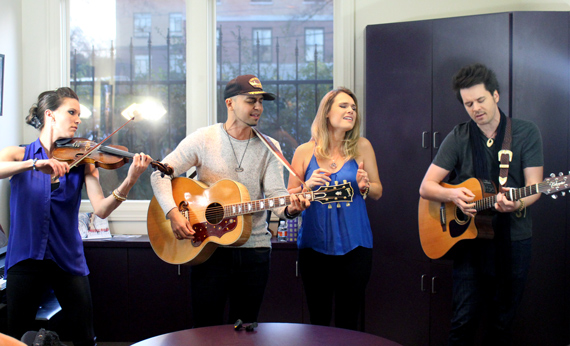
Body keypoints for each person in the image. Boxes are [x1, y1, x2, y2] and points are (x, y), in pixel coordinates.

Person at [150, 74, 309, 327]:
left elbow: (278, 198)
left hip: (255, 252)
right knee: (205, 330)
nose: (258, 107)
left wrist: (291, 209)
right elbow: (160, 174)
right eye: (250, 101)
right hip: (208, 249)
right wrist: (173, 213)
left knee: (245, 330)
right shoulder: (204, 139)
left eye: (260, 101)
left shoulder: (270, 146)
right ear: (230, 103)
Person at [0, 87, 152, 345]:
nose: (78, 120)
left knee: (83, 335)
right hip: (24, 257)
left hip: (67, 258)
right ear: (50, 115)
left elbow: (101, 209)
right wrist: (35, 164)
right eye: (71, 112)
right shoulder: (20, 154)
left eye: (79, 114)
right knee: (15, 336)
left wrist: (130, 180)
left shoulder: (83, 161)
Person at [419, 63, 543, 345]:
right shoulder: (459, 136)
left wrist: (516, 203)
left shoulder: (526, 132)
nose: (476, 108)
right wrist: (453, 196)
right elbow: (426, 186)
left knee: (503, 322)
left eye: (481, 100)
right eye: (468, 103)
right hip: (469, 243)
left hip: (514, 239)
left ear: (496, 95)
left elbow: (534, 187)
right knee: (462, 322)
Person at [287, 87, 382, 330]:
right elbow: (289, 200)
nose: (351, 110)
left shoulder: (362, 146)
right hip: (314, 247)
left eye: (353, 107)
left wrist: (365, 186)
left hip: (356, 246)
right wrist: (306, 187)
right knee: (318, 320)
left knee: (348, 321)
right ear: (326, 113)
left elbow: (378, 191)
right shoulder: (304, 151)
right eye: (343, 106)